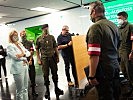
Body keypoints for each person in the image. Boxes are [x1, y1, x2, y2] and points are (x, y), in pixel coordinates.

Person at [86, 1, 120, 100]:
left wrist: (91, 76)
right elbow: (118, 46)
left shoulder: (95, 28)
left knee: (106, 96)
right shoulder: (113, 25)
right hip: (115, 66)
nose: (90, 15)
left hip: (103, 70)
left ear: (93, 11)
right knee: (116, 93)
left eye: (89, 12)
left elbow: (94, 55)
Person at [36, 24, 63, 100]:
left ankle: (56, 88)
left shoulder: (52, 37)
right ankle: (47, 90)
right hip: (44, 59)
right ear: (42, 29)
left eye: (47, 28)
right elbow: (37, 49)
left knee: (55, 73)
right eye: (44, 28)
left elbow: (55, 47)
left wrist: (57, 56)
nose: (46, 29)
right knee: (46, 75)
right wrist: (38, 59)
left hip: (52, 57)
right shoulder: (39, 38)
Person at [7, 30, 30, 100]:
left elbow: (28, 53)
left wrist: (23, 55)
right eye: (14, 35)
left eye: (16, 35)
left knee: (25, 88)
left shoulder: (20, 44)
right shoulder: (10, 46)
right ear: (11, 37)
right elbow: (15, 57)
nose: (16, 37)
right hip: (17, 69)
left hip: (25, 67)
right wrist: (24, 57)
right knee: (20, 90)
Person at [117, 11, 133, 90]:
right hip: (121, 52)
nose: (118, 20)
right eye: (118, 18)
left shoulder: (130, 26)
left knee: (130, 71)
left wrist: (132, 52)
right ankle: (130, 85)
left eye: (120, 18)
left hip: (128, 52)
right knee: (123, 70)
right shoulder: (119, 28)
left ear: (125, 18)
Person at [20, 30, 38, 96]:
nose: (23, 36)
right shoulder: (19, 44)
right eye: (22, 34)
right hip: (22, 63)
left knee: (32, 75)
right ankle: (25, 92)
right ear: (20, 36)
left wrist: (30, 60)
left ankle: (33, 90)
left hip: (30, 61)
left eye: (24, 34)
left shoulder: (30, 43)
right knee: (24, 77)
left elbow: (32, 51)